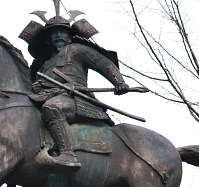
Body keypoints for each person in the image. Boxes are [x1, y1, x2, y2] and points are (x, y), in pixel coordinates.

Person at [20, 5, 130, 170]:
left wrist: (118, 82)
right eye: (53, 33)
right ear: (47, 39)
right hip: (45, 99)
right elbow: (33, 87)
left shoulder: (76, 50)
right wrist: (36, 87)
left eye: (62, 32)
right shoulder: (42, 65)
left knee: (52, 107)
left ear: (69, 36)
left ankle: (68, 154)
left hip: (75, 98)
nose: (58, 35)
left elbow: (105, 63)